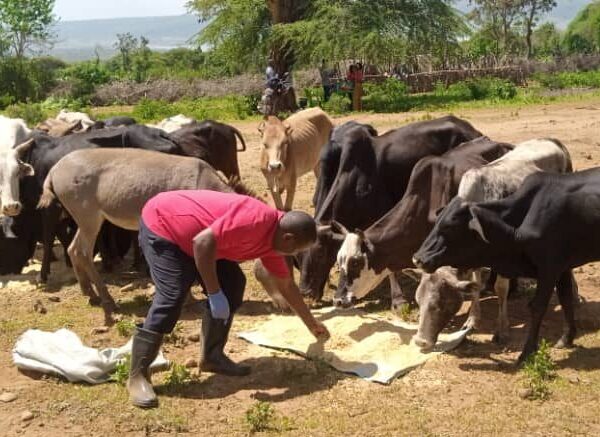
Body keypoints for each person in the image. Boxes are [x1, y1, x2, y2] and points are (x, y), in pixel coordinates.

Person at [128, 190, 330, 408]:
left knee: (233, 285)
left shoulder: (274, 241)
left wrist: (312, 324)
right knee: (173, 295)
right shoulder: (255, 220)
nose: (294, 255)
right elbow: (202, 243)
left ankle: (212, 357)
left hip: (202, 241)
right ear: (288, 239)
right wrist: (214, 293)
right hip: (164, 225)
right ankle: (138, 374)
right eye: (297, 250)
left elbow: (286, 285)